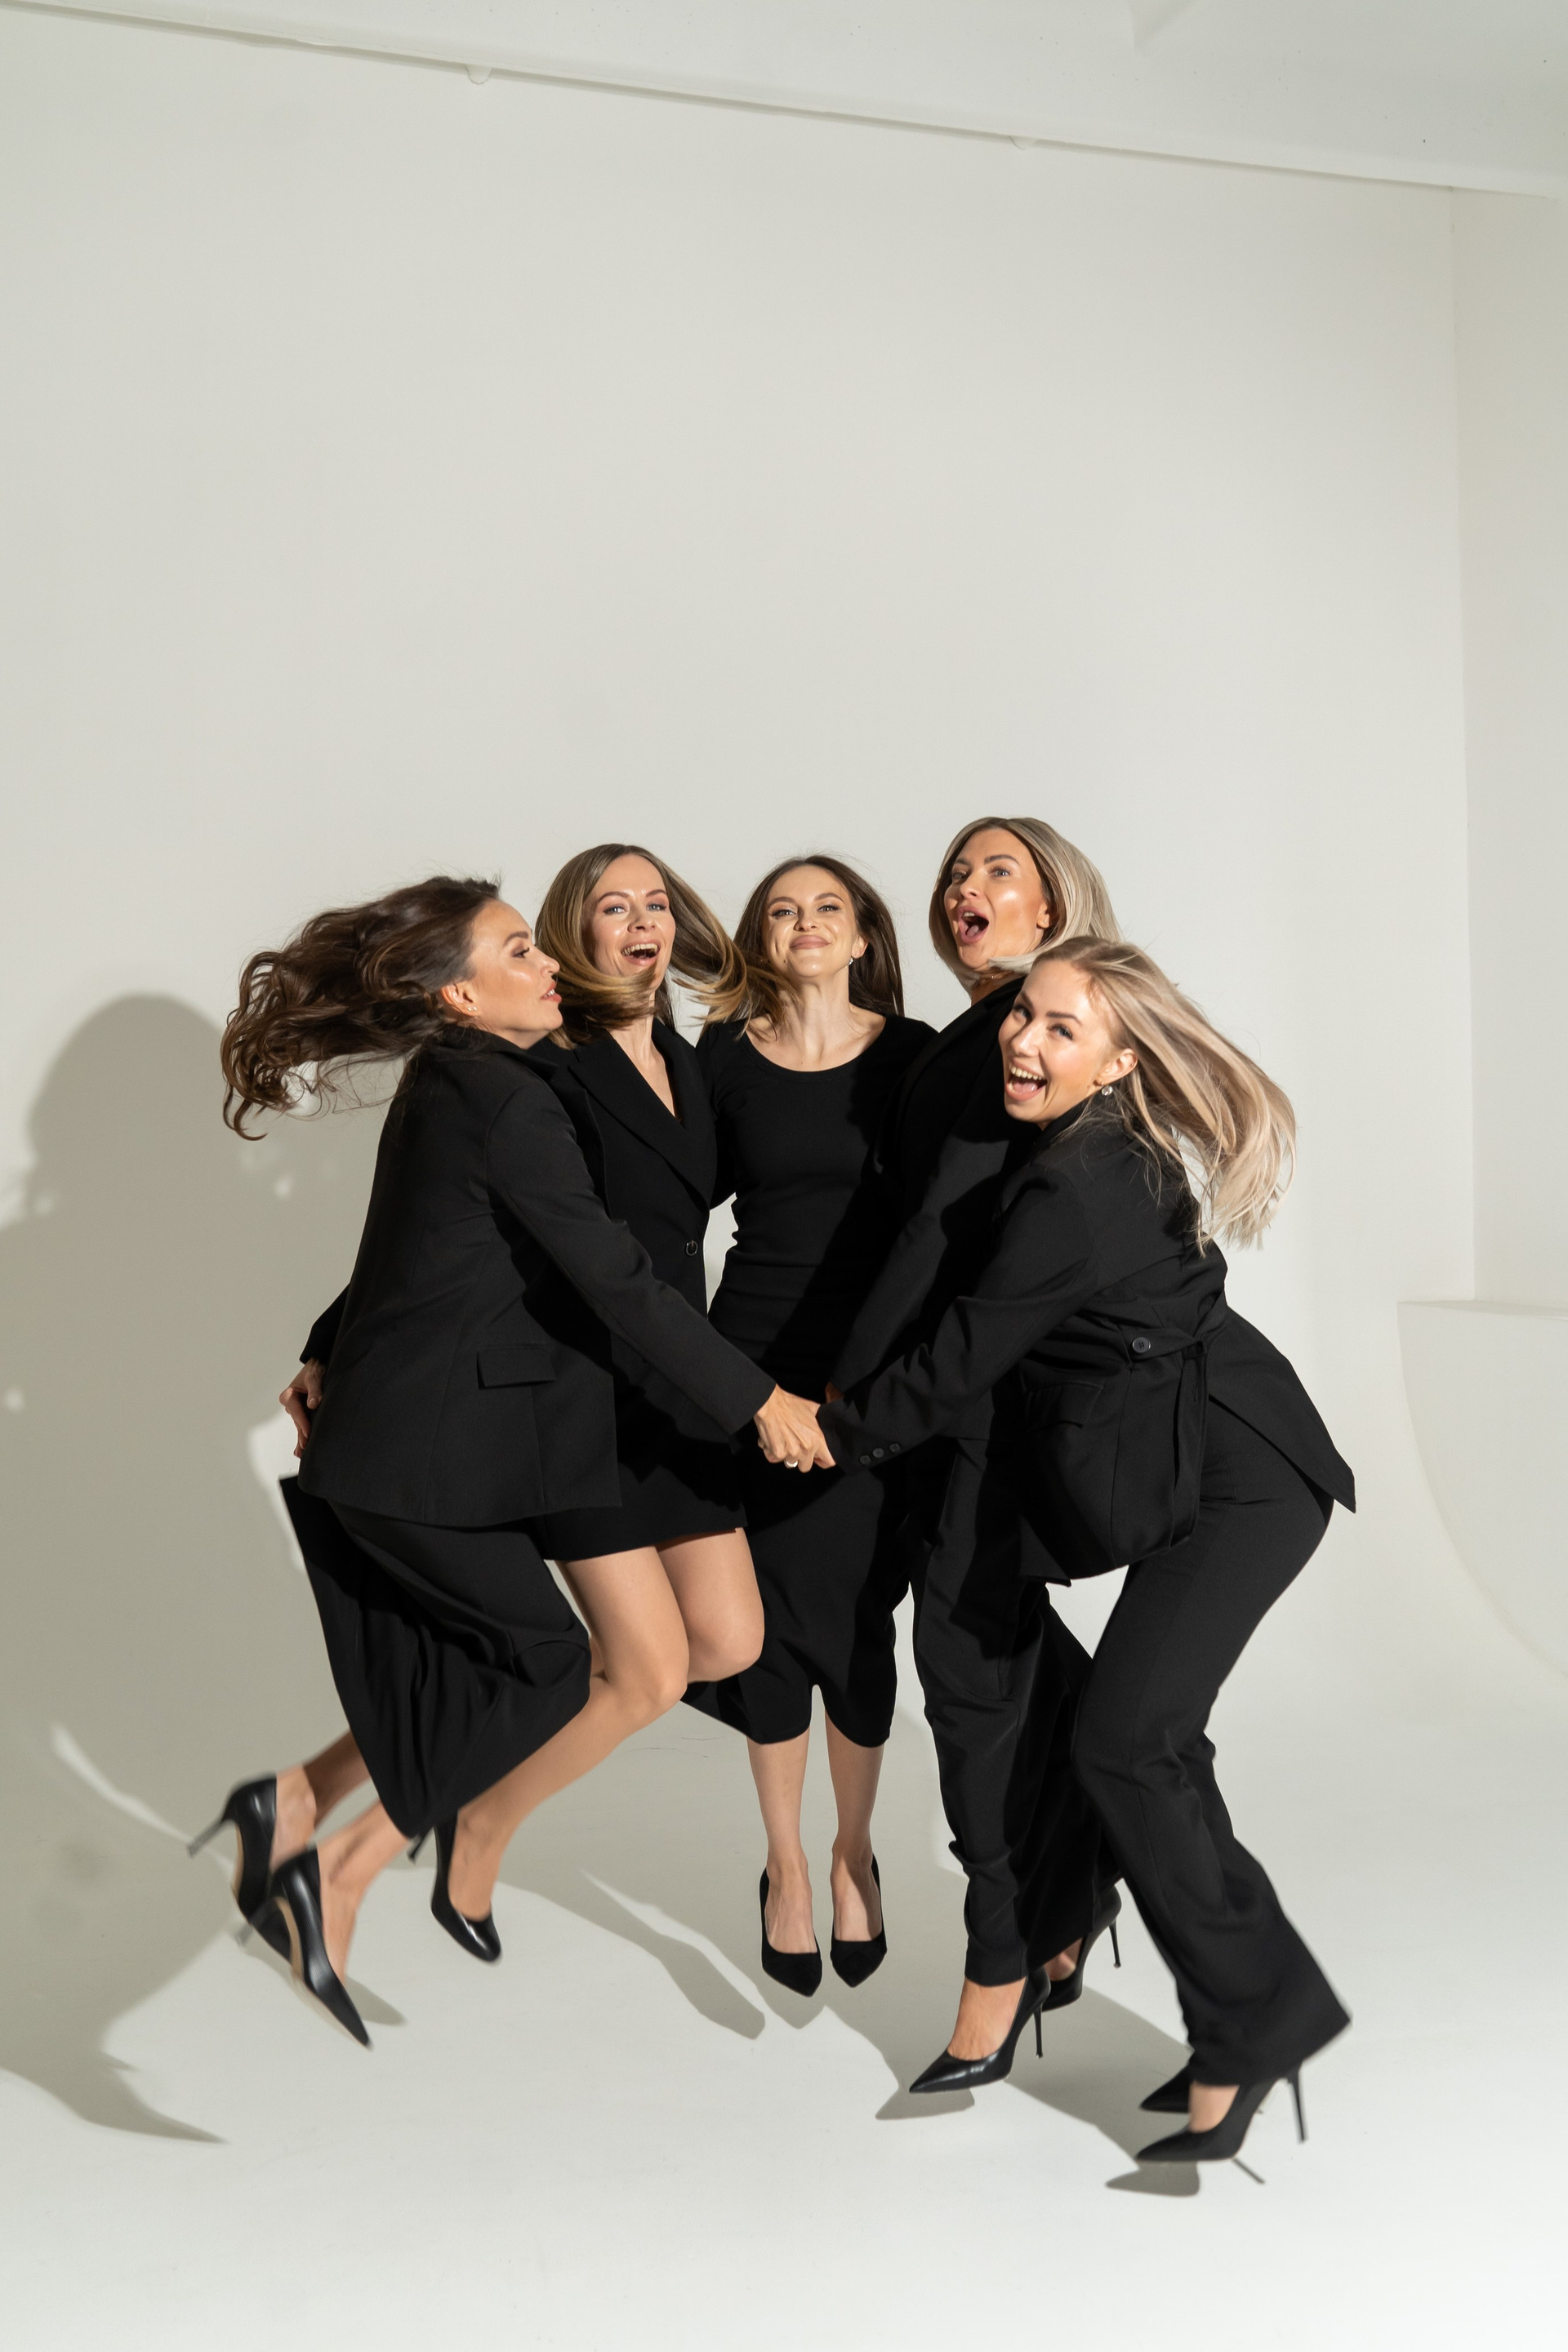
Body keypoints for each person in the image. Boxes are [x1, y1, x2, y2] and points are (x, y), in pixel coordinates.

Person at [194, 877, 820, 2043]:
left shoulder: (636, 1070)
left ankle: (302, 1804)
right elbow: (587, 1267)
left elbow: (431, 1239)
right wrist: (759, 1400)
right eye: (531, 945)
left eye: (657, 904)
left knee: (678, 1648)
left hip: (604, 1399)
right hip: (550, 1409)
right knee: (555, 1669)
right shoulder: (524, 1084)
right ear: (462, 995)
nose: (562, 962)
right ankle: (374, 1861)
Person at [807, 938, 1354, 2165]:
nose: (1024, 1041)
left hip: (1243, 1480)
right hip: (1179, 1457)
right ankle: (1245, 1996)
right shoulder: (1082, 1149)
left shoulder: (1080, 1181)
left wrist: (825, 1433)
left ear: (1117, 1064)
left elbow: (961, 1359)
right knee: (1139, 1739)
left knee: (1127, 1742)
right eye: (1024, 1016)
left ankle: (1254, 2014)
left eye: (1063, 1030)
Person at [685, 858, 934, 1993]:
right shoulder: (724, 1058)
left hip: (875, 1377)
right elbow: (659, 1201)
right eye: (782, 910)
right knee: (773, 1625)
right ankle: (785, 1863)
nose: (806, 923)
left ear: (864, 933)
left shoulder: (914, 1055)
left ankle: (853, 1854)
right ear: (760, 939)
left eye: (828, 906)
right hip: (752, 1369)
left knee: (861, 1620)